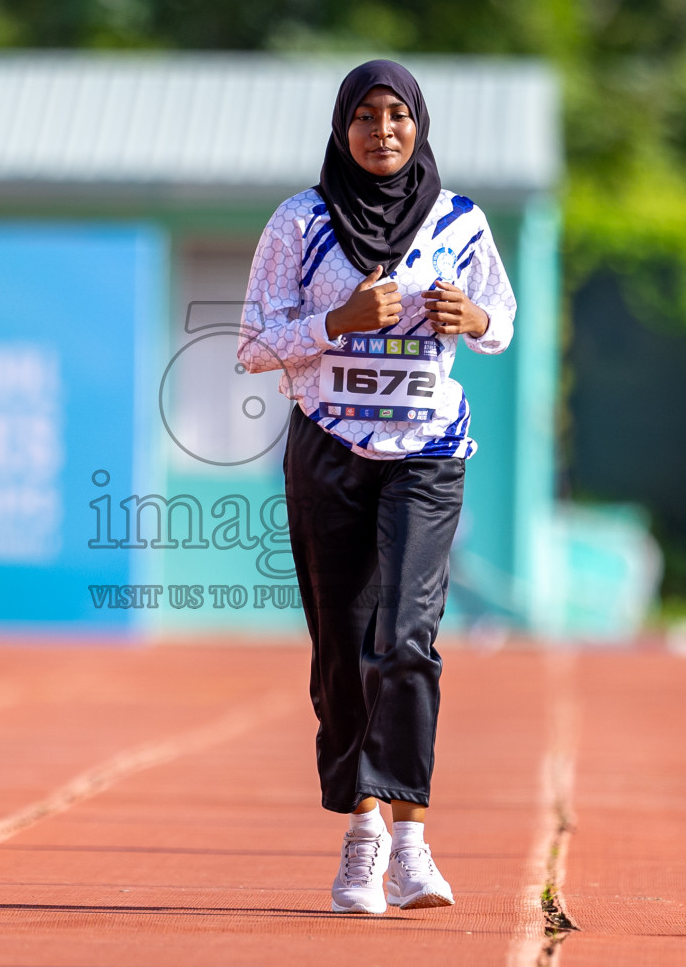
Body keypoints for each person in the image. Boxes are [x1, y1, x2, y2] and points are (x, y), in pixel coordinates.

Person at [237, 60, 517, 914]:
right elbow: (251, 345)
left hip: (428, 453)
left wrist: (471, 318)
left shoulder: (460, 222)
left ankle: (413, 846)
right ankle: (361, 839)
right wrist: (338, 323)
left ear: (420, 125)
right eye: (366, 116)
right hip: (329, 451)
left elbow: (500, 322)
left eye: (398, 115)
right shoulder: (300, 222)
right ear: (341, 128)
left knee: (406, 638)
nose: (384, 132)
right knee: (340, 653)